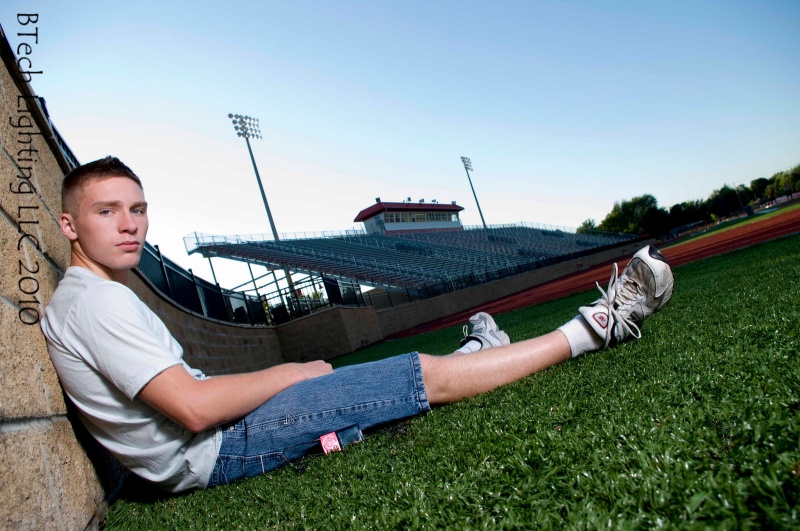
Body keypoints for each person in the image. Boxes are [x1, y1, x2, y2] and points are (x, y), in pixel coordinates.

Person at [40, 156, 674, 493]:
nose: (130, 224)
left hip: (215, 443)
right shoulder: (95, 302)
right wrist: (292, 371)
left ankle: (480, 348)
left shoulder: (89, 295)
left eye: (138, 209)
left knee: (373, 398)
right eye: (107, 211)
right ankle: (597, 326)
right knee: (419, 374)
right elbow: (194, 409)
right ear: (71, 224)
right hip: (217, 451)